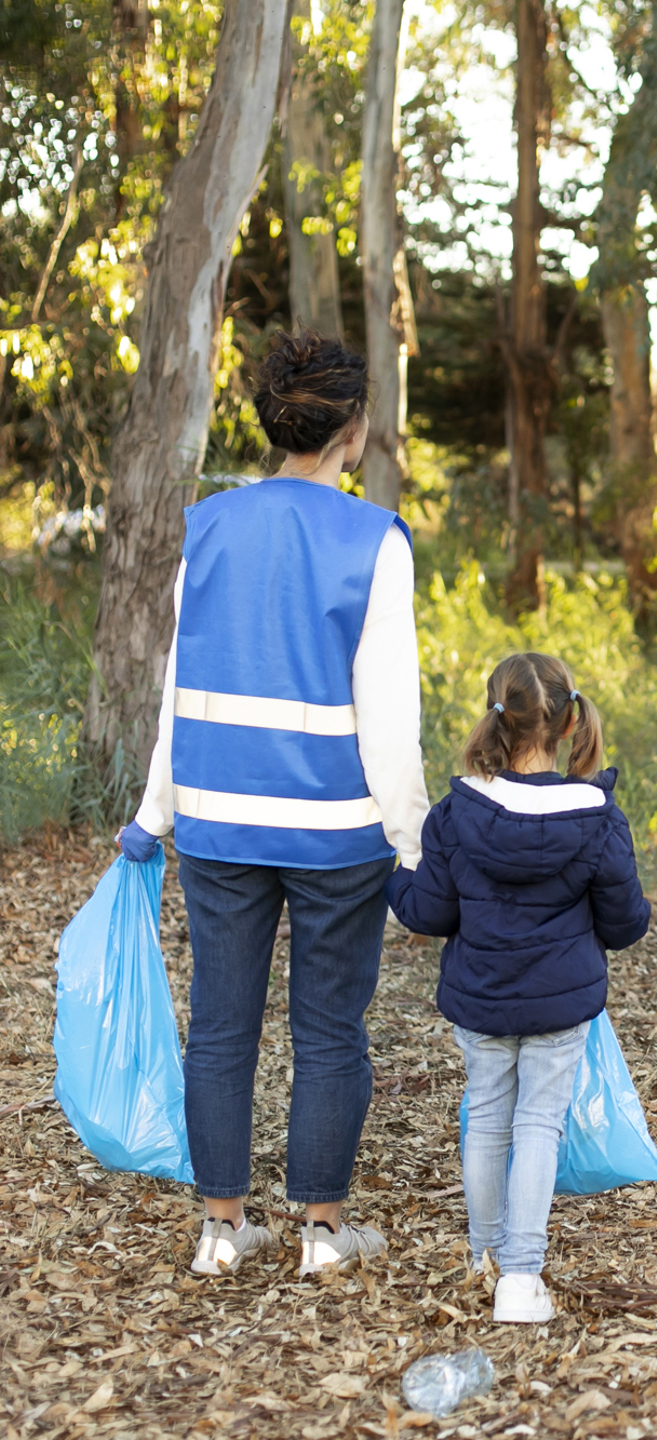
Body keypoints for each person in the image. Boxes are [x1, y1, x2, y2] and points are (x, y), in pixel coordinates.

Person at [118, 328, 430, 1278]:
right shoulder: (372, 538)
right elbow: (388, 712)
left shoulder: (207, 526)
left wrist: (154, 809)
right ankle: (323, 1234)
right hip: (337, 832)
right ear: (354, 430)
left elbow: (181, 683)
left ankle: (222, 1228)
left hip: (217, 818)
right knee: (330, 1025)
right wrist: (413, 839)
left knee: (219, 1021)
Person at [386, 652, 648, 1323]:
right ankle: (521, 1280)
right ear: (566, 727)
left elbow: (428, 913)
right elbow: (624, 926)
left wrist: (394, 874)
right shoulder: (596, 817)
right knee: (538, 1124)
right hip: (561, 1003)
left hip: (481, 997)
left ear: (496, 716)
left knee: (487, 1117)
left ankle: (485, 1258)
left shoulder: (455, 814)